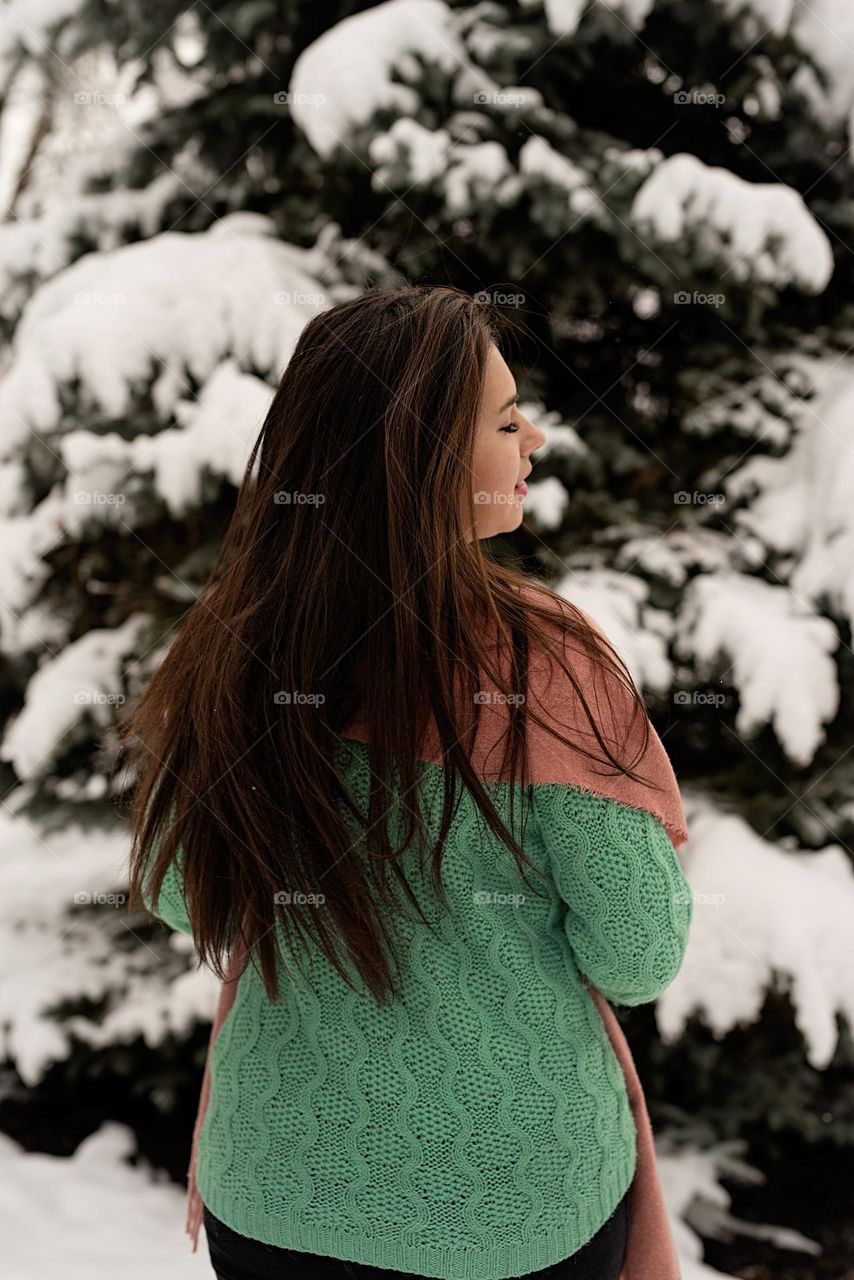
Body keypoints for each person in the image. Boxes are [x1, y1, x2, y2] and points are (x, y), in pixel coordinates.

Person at [122, 285, 692, 1280]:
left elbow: (180, 890)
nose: (537, 439)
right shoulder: (544, 661)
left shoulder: (239, 644)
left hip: (276, 1188)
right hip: (516, 1200)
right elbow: (638, 950)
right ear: (421, 460)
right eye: (507, 420)